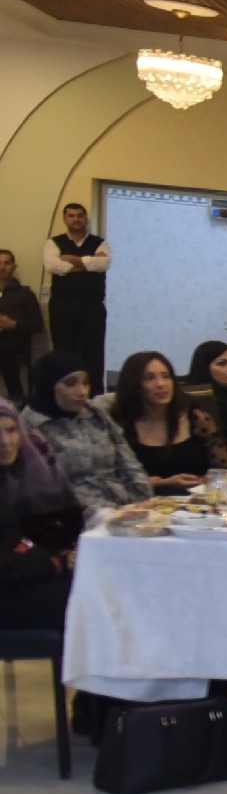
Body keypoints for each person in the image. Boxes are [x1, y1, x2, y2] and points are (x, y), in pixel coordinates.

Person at [23, 350, 149, 511]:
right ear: (48, 385)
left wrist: (143, 501)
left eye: (86, 383)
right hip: (76, 515)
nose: (82, 392)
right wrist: (104, 513)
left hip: (125, 506)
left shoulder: (95, 413)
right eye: (70, 384)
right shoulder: (28, 426)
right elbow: (43, 490)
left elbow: (128, 462)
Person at [0, 399, 81, 633]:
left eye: (11, 430)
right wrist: (55, 564)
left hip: (14, 578)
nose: (5, 442)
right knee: (84, 597)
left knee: (91, 582)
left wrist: (58, 555)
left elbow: (18, 543)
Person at [111, 351, 227, 496]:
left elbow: (223, 469)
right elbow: (112, 481)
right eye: (149, 378)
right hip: (143, 503)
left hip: (197, 501)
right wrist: (163, 483)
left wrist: (206, 480)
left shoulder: (195, 418)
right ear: (135, 386)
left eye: (166, 376)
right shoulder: (119, 425)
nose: (161, 384)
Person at [42, 203, 108, 383]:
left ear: (86, 219)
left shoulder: (100, 242)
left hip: (92, 308)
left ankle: (94, 394)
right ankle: (64, 392)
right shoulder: (54, 242)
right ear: (65, 219)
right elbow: (52, 266)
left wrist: (71, 259)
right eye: (71, 215)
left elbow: (102, 264)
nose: (76, 219)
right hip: (62, 307)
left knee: (94, 353)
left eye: (80, 215)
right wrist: (88, 264)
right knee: (63, 353)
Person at [0, 250, 44, 403]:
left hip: (13, 342)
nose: (2, 267)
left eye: (6, 263)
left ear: (14, 267)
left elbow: (37, 324)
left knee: (5, 350)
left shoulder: (24, 293)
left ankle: (17, 398)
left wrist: (14, 324)